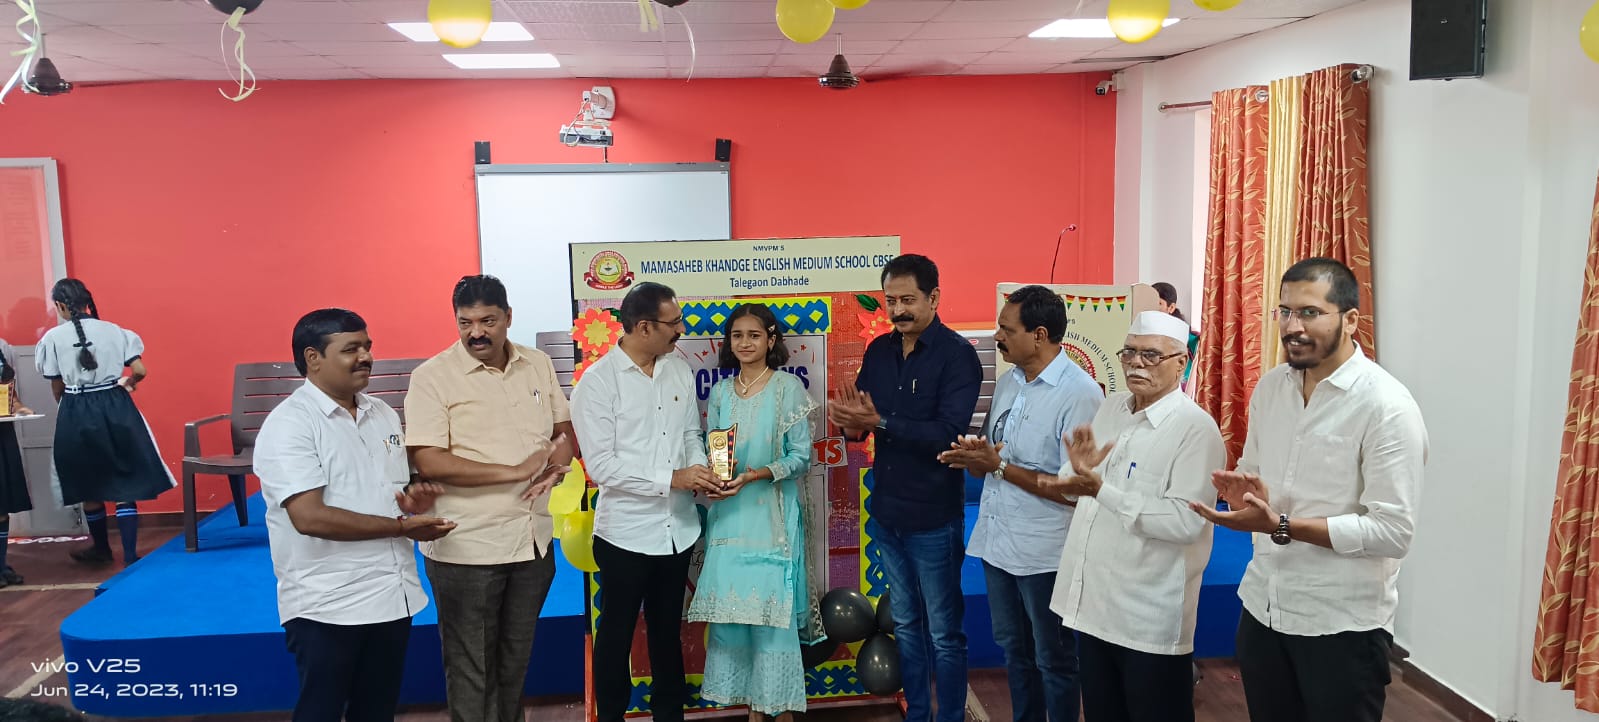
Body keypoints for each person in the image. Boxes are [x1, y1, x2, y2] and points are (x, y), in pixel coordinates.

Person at [1191, 258, 1427, 722]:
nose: (1293, 326)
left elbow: (1393, 532)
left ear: (1350, 319)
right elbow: (1253, 470)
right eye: (1284, 312)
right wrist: (1246, 494)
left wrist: (1281, 524)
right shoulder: (1272, 389)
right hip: (1263, 608)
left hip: (1341, 625)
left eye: (1310, 313)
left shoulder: (1386, 406)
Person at [254, 308, 457, 722]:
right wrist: (401, 527)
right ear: (313, 358)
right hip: (328, 604)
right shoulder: (289, 425)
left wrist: (411, 501)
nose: (365, 357)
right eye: (351, 349)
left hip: (392, 594)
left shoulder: (381, 413)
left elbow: (385, 491)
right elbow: (309, 517)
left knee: (377, 711)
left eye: (367, 347)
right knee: (321, 712)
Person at [405, 275, 573, 722]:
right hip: (468, 545)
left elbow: (563, 432)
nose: (476, 332)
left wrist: (555, 466)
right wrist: (513, 472)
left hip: (533, 541)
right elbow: (428, 459)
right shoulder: (432, 377)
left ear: (508, 317)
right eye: (466, 323)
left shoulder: (537, 363)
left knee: (514, 663)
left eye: (488, 321)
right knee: (472, 671)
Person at [1047, 310, 1226, 722]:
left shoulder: (1195, 429)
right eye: (1129, 353)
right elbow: (1075, 485)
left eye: (1151, 355)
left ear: (1181, 363)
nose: (1136, 364)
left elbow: (1185, 522)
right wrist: (1076, 473)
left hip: (1148, 619)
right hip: (1093, 607)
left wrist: (1101, 490)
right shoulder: (1112, 408)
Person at [828, 254, 981, 722]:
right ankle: (917, 713)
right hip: (887, 513)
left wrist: (879, 421)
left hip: (933, 516)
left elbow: (948, 434)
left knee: (944, 633)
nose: (898, 310)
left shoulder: (957, 356)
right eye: (891, 301)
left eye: (908, 300)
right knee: (908, 627)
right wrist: (849, 425)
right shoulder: (879, 351)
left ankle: (950, 716)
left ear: (934, 297)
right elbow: (861, 421)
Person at [939, 285, 1102, 722]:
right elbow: (995, 453)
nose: (997, 336)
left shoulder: (1080, 394)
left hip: (1045, 551)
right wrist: (974, 456)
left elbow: (1074, 490)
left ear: (1040, 335)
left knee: (1054, 657)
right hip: (998, 543)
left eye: (1007, 329)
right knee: (1014, 650)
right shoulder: (1010, 382)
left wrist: (997, 467)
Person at [570, 281, 720, 722]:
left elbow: (690, 434)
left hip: (677, 529)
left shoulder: (678, 369)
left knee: (667, 632)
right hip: (625, 535)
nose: (681, 330)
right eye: (673, 323)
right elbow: (603, 467)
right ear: (643, 327)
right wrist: (672, 479)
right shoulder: (597, 383)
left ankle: (669, 714)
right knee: (616, 634)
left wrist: (699, 472)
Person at [686, 303, 824, 721]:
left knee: (772, 619)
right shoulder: (721, 392)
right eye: (737, 336)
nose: (745, 343)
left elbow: (801, 458)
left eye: (754, 335)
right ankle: (754, 710)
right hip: (729, 516)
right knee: (733, 618)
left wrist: (757, 474)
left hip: (772, 519)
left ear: (771, 339)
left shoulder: (787, 388)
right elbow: (716, 449)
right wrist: (717, 479)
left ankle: (780, 711)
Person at [35, 279, 174, 566]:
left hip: (77, 408)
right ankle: (131, 554)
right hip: (116, 405)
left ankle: (101, 549)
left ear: (60, 305)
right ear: (87, 302)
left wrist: (67, 407)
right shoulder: (115, 331)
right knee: (125, 479)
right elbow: (140, 369)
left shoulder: (52, 338)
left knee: (88, 481)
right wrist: (129, 383)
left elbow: (57, 386)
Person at [0, 338, 35, 587]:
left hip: (2, 432)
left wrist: (19, 407)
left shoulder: (2, 347)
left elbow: (9, 393)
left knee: (2, 505)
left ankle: (1, 566)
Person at [1151, 282, 1199, 388]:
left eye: (1159, 303)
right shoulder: (1143, 334)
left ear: (1171, 307)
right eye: (1150, 302)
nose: (1152, 308)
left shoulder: (1189, 338)